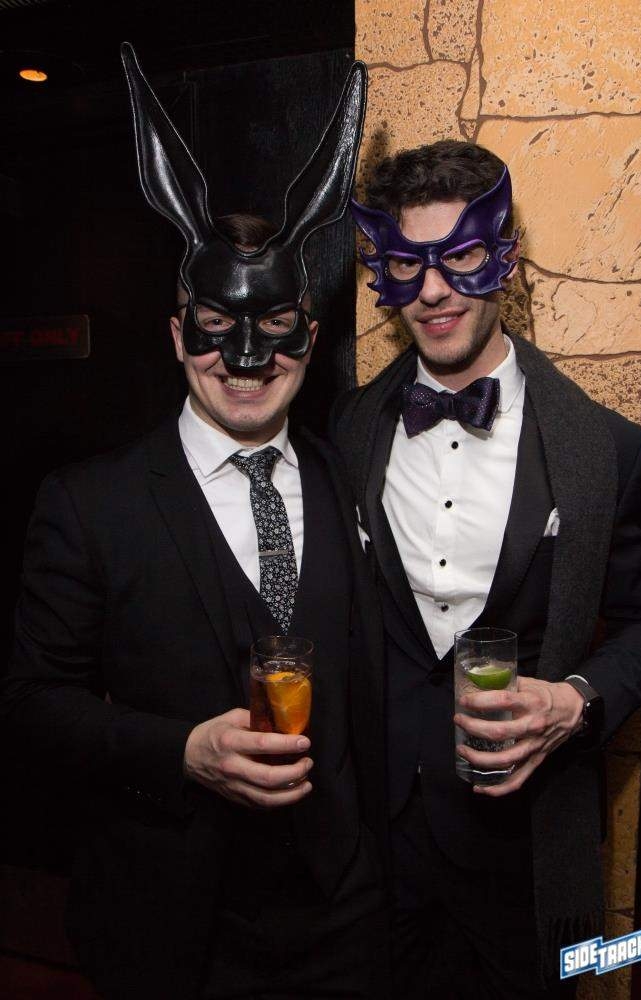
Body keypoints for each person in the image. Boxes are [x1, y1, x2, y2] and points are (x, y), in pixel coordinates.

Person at [1, 45, 389, 1000]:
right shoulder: (90, 505)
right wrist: (180, 751)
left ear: (309, 334)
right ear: (179, 335)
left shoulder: (350, 478)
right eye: (216, 327)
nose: (245, 359)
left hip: (345, 921)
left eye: (275, 328)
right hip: (172, 930)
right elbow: (31, 705)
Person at [331, 138, 641, 999]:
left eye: (462, 257)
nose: (433, 290)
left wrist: (577, 700)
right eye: (407, 264)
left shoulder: (605, 450)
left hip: (523, 850)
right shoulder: (350, 430)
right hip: (379, 845)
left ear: (504, 260)